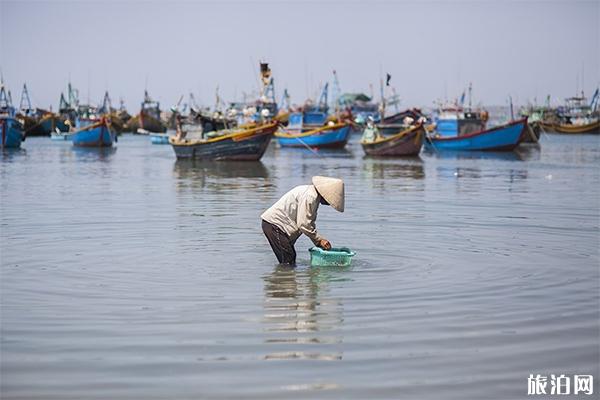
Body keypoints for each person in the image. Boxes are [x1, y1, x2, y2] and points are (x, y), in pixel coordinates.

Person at [261, 176, 345, 265]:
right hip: (275, 225)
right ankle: (284, 278)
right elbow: (303, 224)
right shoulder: (310, 196)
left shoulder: (312, 195)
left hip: (278, 227)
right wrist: (319, 240)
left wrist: (318, 241)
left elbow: (308, 223)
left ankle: (285, 277)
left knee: (289, 259)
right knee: (288, 261)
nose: (329, 204)